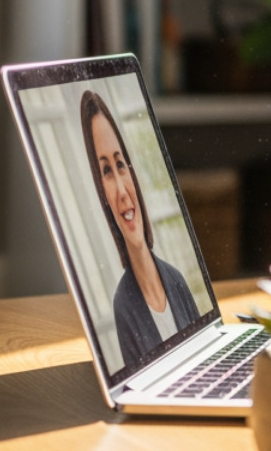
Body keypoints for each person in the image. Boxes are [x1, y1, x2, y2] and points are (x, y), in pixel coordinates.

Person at [81, 89, 201, 367]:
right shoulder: (124, 305)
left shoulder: (176, 280)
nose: (122, 191)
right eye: (107, 172)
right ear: (102, 195)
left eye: (120, 164)